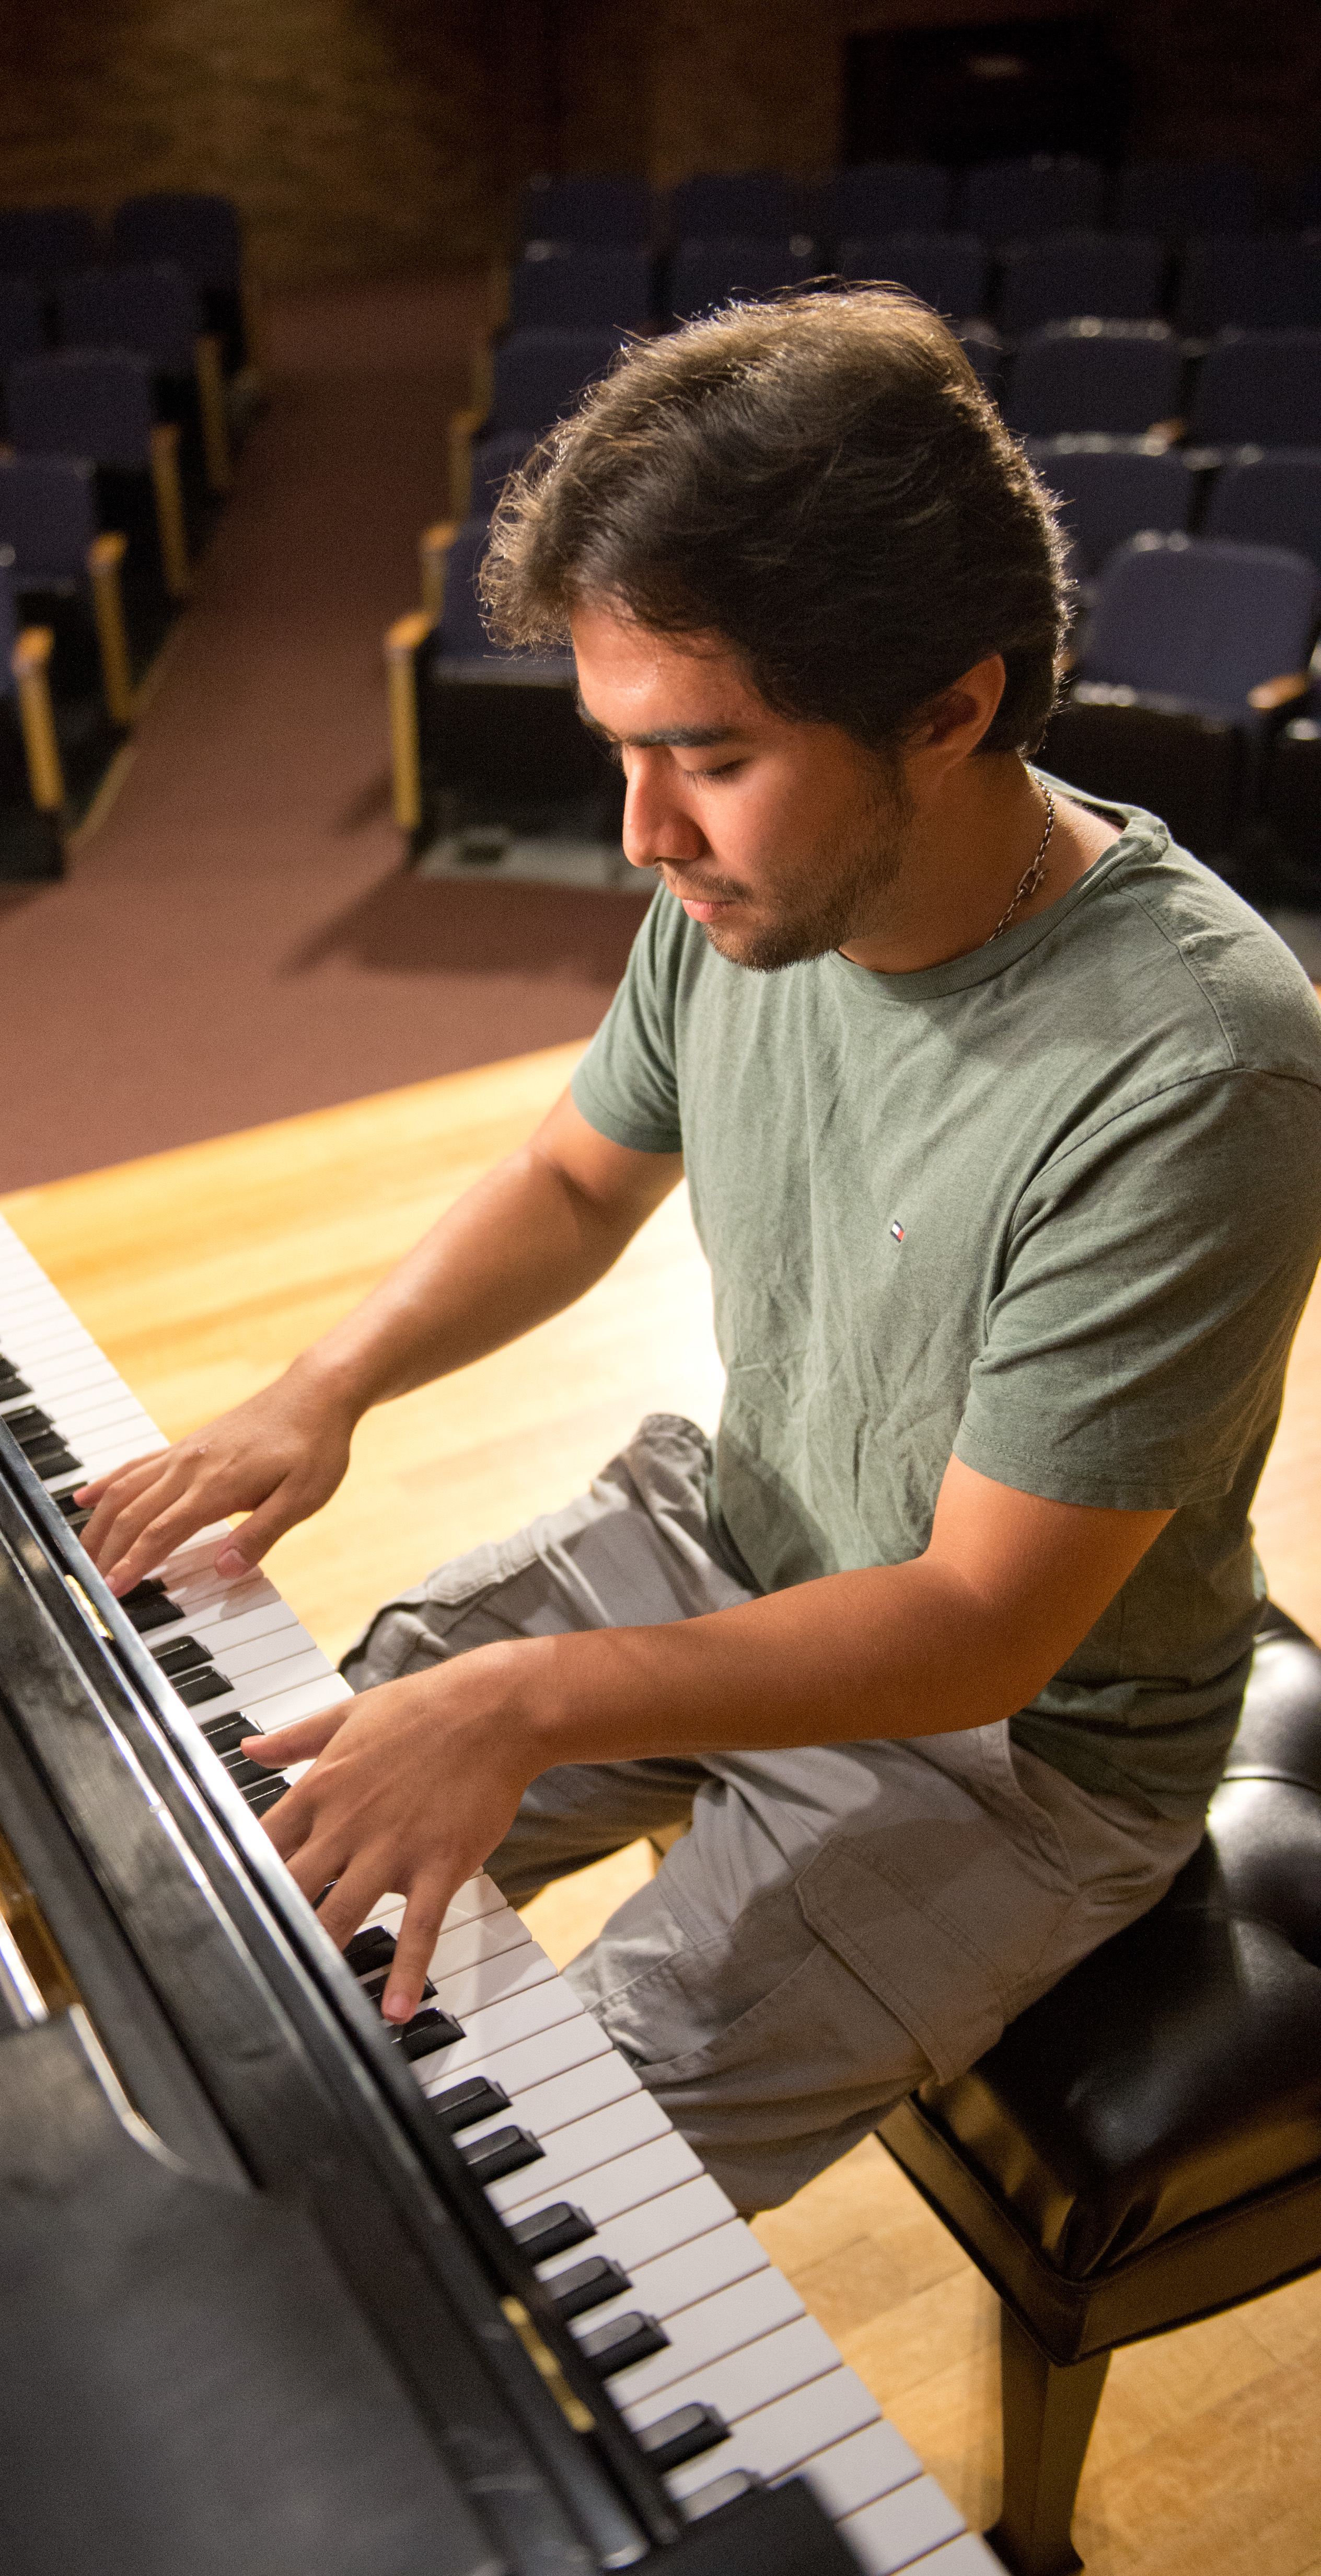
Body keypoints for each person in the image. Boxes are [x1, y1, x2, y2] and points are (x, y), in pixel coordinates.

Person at [78, 288, 1321, 2213]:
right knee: (270, 1815)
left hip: (1020, 1750)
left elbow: (984, 1625)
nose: (644, 830)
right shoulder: (751, 884)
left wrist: (526, 1700)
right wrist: (324, 1389)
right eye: (620, 751)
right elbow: (581, 1180)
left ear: (955, 704)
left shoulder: (1200, 1063)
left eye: (711, 756)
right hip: (742, 1527)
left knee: (553, 2183)